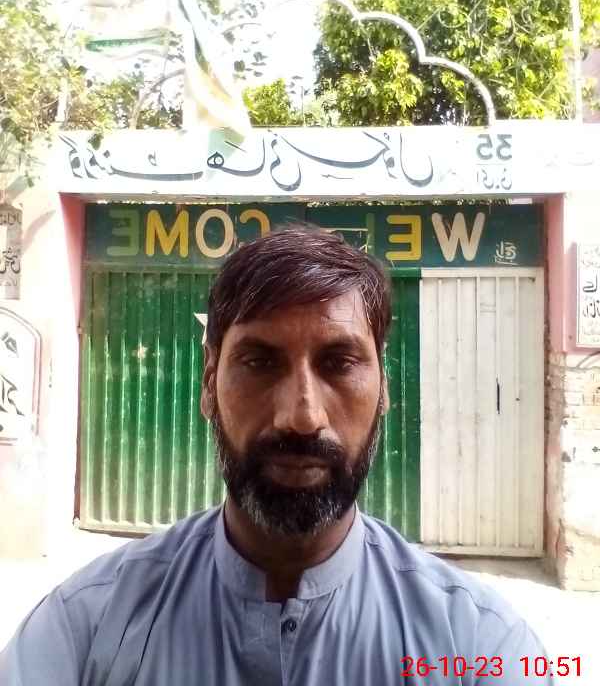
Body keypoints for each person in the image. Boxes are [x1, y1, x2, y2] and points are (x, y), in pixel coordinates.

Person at [0, 225, 551, 685]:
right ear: (209, 382)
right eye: (260, 362)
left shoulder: (478, 644)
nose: (302, 417)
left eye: (339, 363)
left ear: (383, 388)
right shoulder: (85, 630)